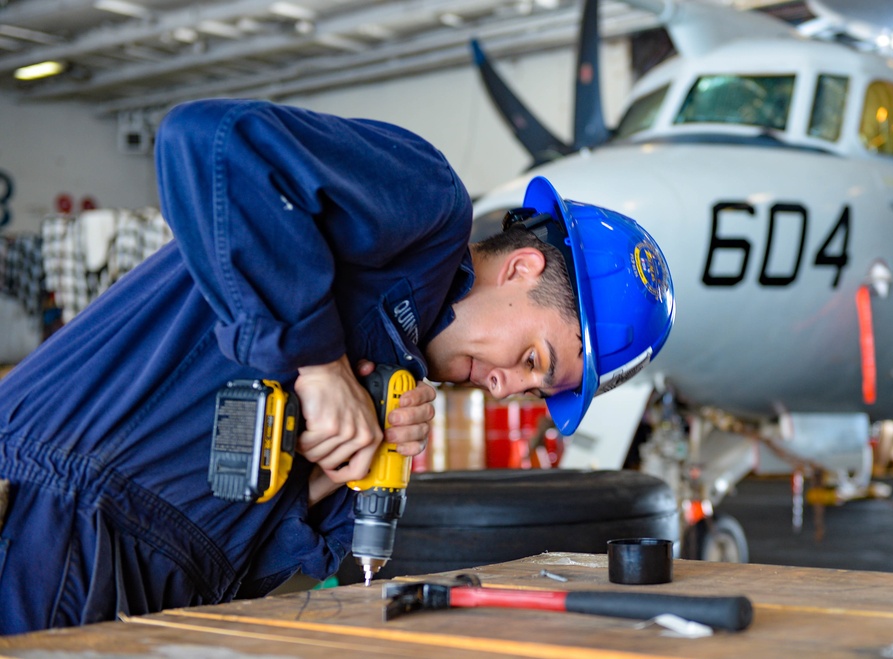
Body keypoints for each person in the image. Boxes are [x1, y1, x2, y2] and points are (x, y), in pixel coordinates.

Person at [0, 98, 674, 634]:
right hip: (55, 521)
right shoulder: (426, 213)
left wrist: (330, 470)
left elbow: (236, 540)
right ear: (523, 267)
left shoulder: (394, 370)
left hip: (154, 580)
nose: (505, 390)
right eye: (532, 360)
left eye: (532, 391)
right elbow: (210, 141)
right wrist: (321, 367)